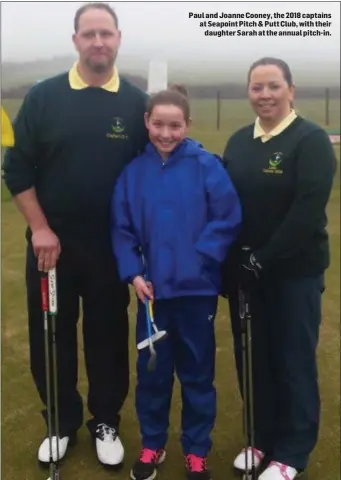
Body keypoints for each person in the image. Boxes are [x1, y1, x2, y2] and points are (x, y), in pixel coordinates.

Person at [3, 2, 149, 469]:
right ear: (75, 41)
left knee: (107, 335)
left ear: (119, 39)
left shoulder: (134, 101)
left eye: (106, 33)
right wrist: (40, 228)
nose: (98, 42)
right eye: (89, 34)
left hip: (111, 247)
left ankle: (104, 419)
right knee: (53, 333)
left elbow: (153, 168)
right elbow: (17, 167)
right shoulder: (44, 97)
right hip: (52, 247)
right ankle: (61, 421)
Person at [111, 85, 242, 480]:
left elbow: (227, 217)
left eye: (175, 125)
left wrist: (200, 261)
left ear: (187, 124)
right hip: (152, 296)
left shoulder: (206, 165)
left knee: (197, 374)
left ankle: (196, 450)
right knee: (153, 374)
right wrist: (133, 273)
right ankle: (153, 444)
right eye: (158, 124)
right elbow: (122, 229)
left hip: (196, 294)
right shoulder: (134, 172)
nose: (166, 133)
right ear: (147, 123)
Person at [221, 57, 337, 480]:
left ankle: (291, 452)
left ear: (291, 90)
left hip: (293, 273)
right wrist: (230, 259)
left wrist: (261, 259)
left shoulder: (310, 140)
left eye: (273, 86)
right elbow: (224, 205)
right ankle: (260, 438)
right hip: (245, 273)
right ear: (248, 92)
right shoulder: (237, 142)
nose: (265, 95)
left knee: (292, 360)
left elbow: (306, 212)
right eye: (257, 87)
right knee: (253, 358)